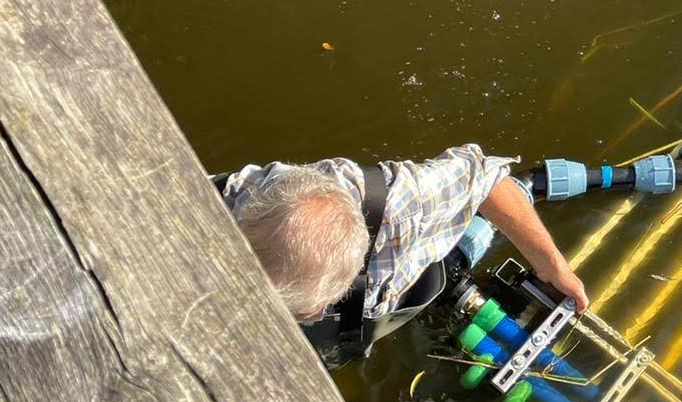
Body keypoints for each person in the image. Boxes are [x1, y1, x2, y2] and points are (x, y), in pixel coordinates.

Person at [218, 143, 587, 367]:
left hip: (401, 276)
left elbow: (485, 176)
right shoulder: (228, 200)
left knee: (454, 259)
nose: (314, 314)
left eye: (312, 309)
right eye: (302, 312)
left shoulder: (400, 204)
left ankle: (524, 194)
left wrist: (553, 266)